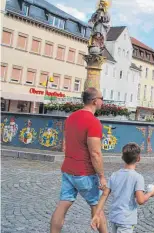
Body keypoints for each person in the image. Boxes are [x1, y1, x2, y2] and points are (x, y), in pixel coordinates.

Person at [50, 88, 107, 233]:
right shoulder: (93, 122)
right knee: (97, 207)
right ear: (95, 101)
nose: (102, 101)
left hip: (68, 169)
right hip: (85, 172)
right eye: (102, 98)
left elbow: (66, 144)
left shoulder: (71, 118)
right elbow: (95, 153)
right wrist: (101, 176)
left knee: (62, 205)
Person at [91, 143, 154, 233]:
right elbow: (140, 200)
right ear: (138, 159)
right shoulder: (138, 177)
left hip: (114, 217)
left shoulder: (114, 175)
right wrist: (150, 193)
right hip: (127, 220)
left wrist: (97, 214)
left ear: (122, 158)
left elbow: (104, 195)